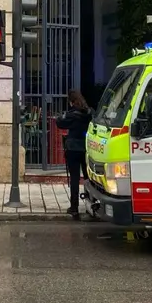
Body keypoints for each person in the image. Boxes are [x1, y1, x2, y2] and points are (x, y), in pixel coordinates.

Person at [56, 90, 92, 219]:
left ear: (71, 102)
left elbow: (59, 123)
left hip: (73, 149)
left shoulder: (71, 115)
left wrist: (65, 115)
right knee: (89, 179)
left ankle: (74, 208)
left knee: (75, 179)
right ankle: (91, 206)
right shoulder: (89, 113)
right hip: (87, 148)